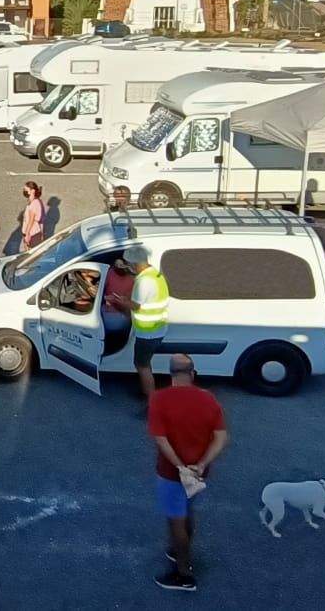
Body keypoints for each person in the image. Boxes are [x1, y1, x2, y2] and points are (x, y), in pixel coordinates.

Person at [147, 354, 228, 593]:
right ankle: (179, 550)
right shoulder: (208, 398)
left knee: (176, 522)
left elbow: (161, 439)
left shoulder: (159, 399)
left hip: (171, 474)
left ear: (171, 374)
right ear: (192, 374)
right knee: (188, 510)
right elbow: (221, 438)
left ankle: (183, 573)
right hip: (199, 473)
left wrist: (180, 466)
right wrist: (201, 465)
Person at [110, 246, 168, 401]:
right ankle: (147, 391)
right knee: (145, 363)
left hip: (147, 332)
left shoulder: (143, 282)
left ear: (135, 264)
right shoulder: (154, 274)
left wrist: (119, 301)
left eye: (129, 264)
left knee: (141, 366)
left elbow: (136, 305)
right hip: (158, 328)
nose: (128, 267)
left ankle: (151, 401)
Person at [20, 181, 46, 249]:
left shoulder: (34, 203)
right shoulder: (33, 201)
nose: (24, 191)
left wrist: (27, 234)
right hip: (30, 232)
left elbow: (31, 220)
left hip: (32, 233)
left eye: (26, 190)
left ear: (33, 191)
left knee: (30, 255)